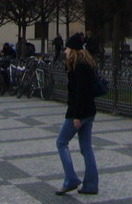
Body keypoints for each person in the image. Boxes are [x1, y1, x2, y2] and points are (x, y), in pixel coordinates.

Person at [54, 33, 99, 196]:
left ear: (72, 49)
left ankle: (71, 179)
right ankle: (91, 184)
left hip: (78, 112)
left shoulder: (78, 66)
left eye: (67, 48)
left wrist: (77, 116)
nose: (65, 51)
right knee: (86, 148)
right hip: (89, 111)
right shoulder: (86, 63)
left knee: (61, 142)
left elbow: (80, 93)